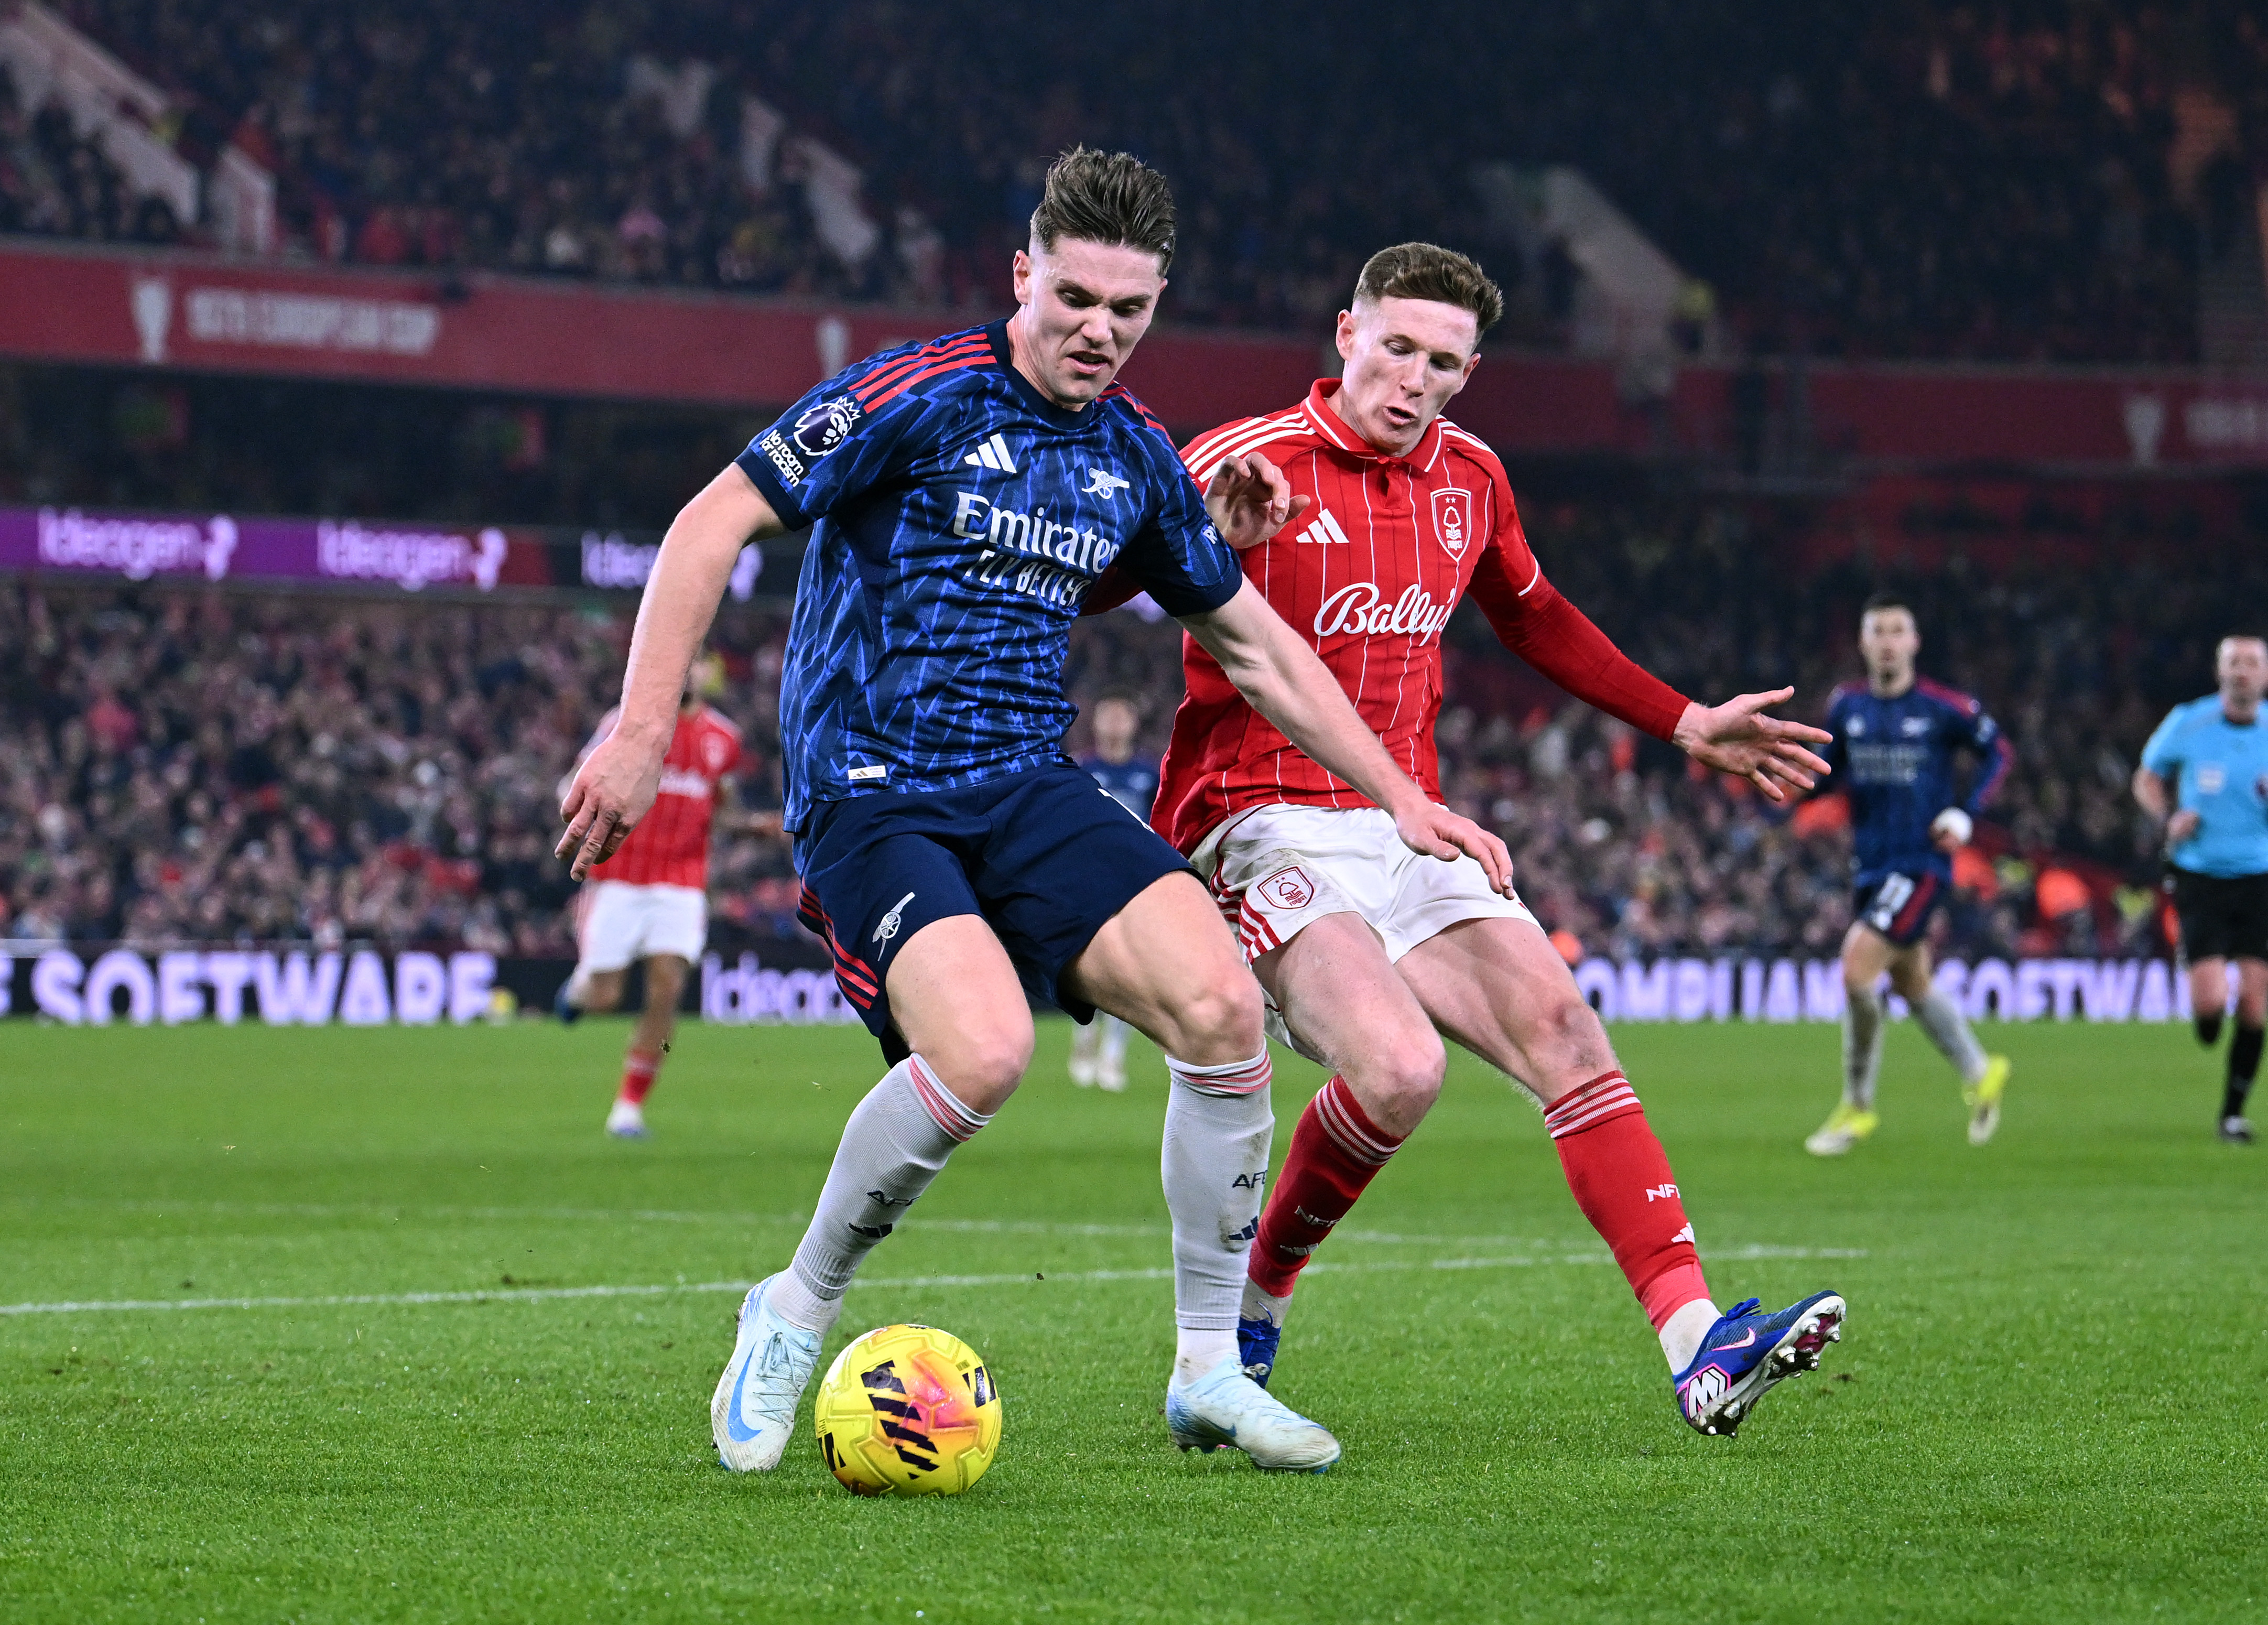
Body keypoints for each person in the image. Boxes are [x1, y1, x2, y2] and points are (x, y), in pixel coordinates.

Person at [556, 151, 1514, 1476]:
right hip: (875, 789)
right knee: (988, 1050)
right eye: (1075, 297)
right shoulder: (923, 391)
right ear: (1025, 271)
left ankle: (1209, 1369)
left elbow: (1262, 648)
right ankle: (792, 1307)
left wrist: (1408, 797)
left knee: (1222, 1005)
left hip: (1026, 783)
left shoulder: (1132, 452)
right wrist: (640, 727)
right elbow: (713, 520)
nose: (1098, 331)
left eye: (1129, 309)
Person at [1095, 241, 1847, 1438]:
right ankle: (1257, 1299)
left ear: (1469, 371)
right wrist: (1184, 544)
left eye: (1444, 362)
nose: (1415, 378)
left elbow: (1534, 616)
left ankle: (1697, 1340)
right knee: (1399, 1069)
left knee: (1565, 1027)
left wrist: (1688, 718)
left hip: (1411, 816)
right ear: (1346, 335)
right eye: (1396, 347)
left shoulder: (1474, 478)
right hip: (1255, 816)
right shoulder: (1246, 461)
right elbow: (1097, 575)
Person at [1806, 593, 2014, 1156]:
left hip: (1921, 864)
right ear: (1863, 642)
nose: (1888, 641)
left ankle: (1857, 1105)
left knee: (1856, 969)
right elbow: (1829, 775)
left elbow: (1999, 754)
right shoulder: (1846, 706)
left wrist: (1965, 814)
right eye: (1878, 631)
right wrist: (1782, 783)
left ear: (1914, 642)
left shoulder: (1945, 708)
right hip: (1870, 865)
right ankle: (1979, 1069)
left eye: (1898, 630)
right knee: (1910, 982)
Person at [553, 675, 749, 1139]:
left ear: (707, 672)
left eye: (696, 663)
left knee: (667, 990)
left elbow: (722, 808)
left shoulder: (724, 739)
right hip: (619, 878)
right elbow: (573, 781)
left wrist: (757, 826)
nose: (686, 672)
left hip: (681, 882)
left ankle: (627, 1109)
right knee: (605, 997)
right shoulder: (625, 725)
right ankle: (579, 989)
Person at [2134, 635, 2268, 1144]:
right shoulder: (2188, 722)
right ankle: (2209, 1021)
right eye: (2233, 662)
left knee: (2255, 1003)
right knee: (2211, 1004)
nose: (2242, 671)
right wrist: (2167, 817)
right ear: (2219, 672)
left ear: (2264, 675)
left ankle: (2232, 1114)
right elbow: (2146, 777)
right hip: (2200, 874)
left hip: (2260, 877)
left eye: (2251, 663)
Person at [1068, 691, 1158, 1092]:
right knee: (1088, 965)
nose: (1116, 724)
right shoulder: (1082, 770)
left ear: (1134, 723)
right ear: (1097, 722)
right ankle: (1084, 1042)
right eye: (1109, 716)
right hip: (1087, 879)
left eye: (1123, 716)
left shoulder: (1148, 773)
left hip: (1134, 880)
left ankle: (1112, 1057)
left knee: (1130, 971)